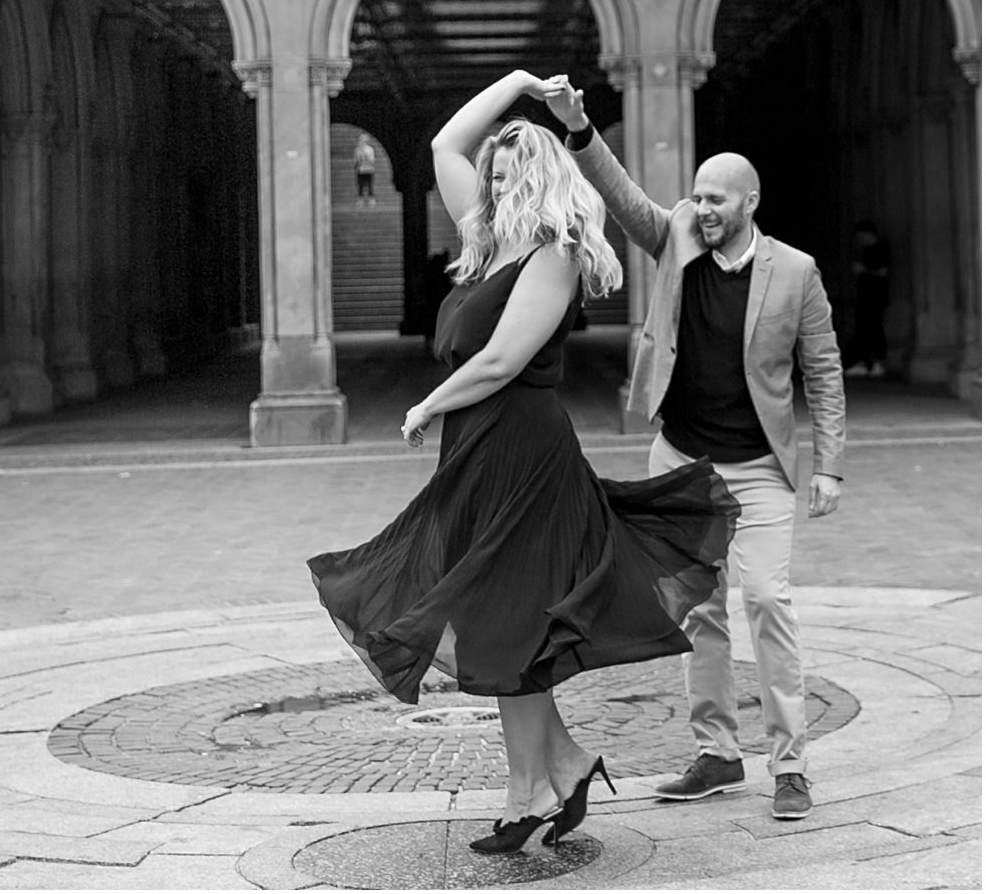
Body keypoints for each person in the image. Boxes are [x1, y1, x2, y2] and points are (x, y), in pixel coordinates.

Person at [308, 71, 736, 855]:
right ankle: (560, 771)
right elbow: (444, 142)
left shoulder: (555, 252)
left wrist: (427, 403)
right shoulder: (486, 237)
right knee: (504, 629)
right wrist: (517, 85)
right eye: (492, 174)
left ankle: (532, 788)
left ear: (540, 179)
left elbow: (505, 359)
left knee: (505, 627)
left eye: (510, 174)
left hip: (526, 460)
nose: (496, 184)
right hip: (479, 458)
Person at [547, 78, 846, 822]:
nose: (703, 209)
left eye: (718, 199)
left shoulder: (798, 272)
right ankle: (717, 752)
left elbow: (824, 370)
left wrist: (830, 464)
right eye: (698, 197)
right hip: (680, 459)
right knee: (699, 612)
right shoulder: (676, 235)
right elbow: (624, 199)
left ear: (750, 203)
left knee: (768, 600)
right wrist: (580, 130)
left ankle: (790, 764)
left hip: (760, 466)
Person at [843, 220, 890, 378]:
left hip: (876, 296)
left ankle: (878, 362)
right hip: (865, 296)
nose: (859, 239)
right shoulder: (867, 250)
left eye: (861, 236)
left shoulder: (880, 249)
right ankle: (863, 362)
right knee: (863, 329)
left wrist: (864, 270)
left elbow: (883, 272)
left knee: (875, 328)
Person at [354, 132, 378, 201]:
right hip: (361, 170)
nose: (361, 141)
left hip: (369, 169)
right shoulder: (357, 150)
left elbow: (372, 160)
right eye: (360, 140)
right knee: (360, 185)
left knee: (370, 185)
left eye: (362, 140)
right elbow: (356, 160)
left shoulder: (370, 149)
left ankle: (371, 199)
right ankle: (360, 199)